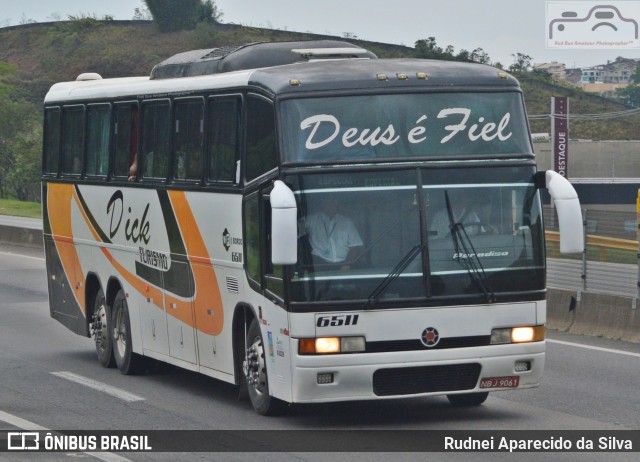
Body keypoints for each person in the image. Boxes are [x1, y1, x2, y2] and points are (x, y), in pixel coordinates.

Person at [298, 195, 364, 266]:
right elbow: (291, 232)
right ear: (322, 203)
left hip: (344, 264)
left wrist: (347, 265)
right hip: (318, 265)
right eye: (328, 201)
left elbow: (355, 247)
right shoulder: (311, 220)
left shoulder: (347, 222)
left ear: (337, 204)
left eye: (334, 201)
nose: (331, 204)